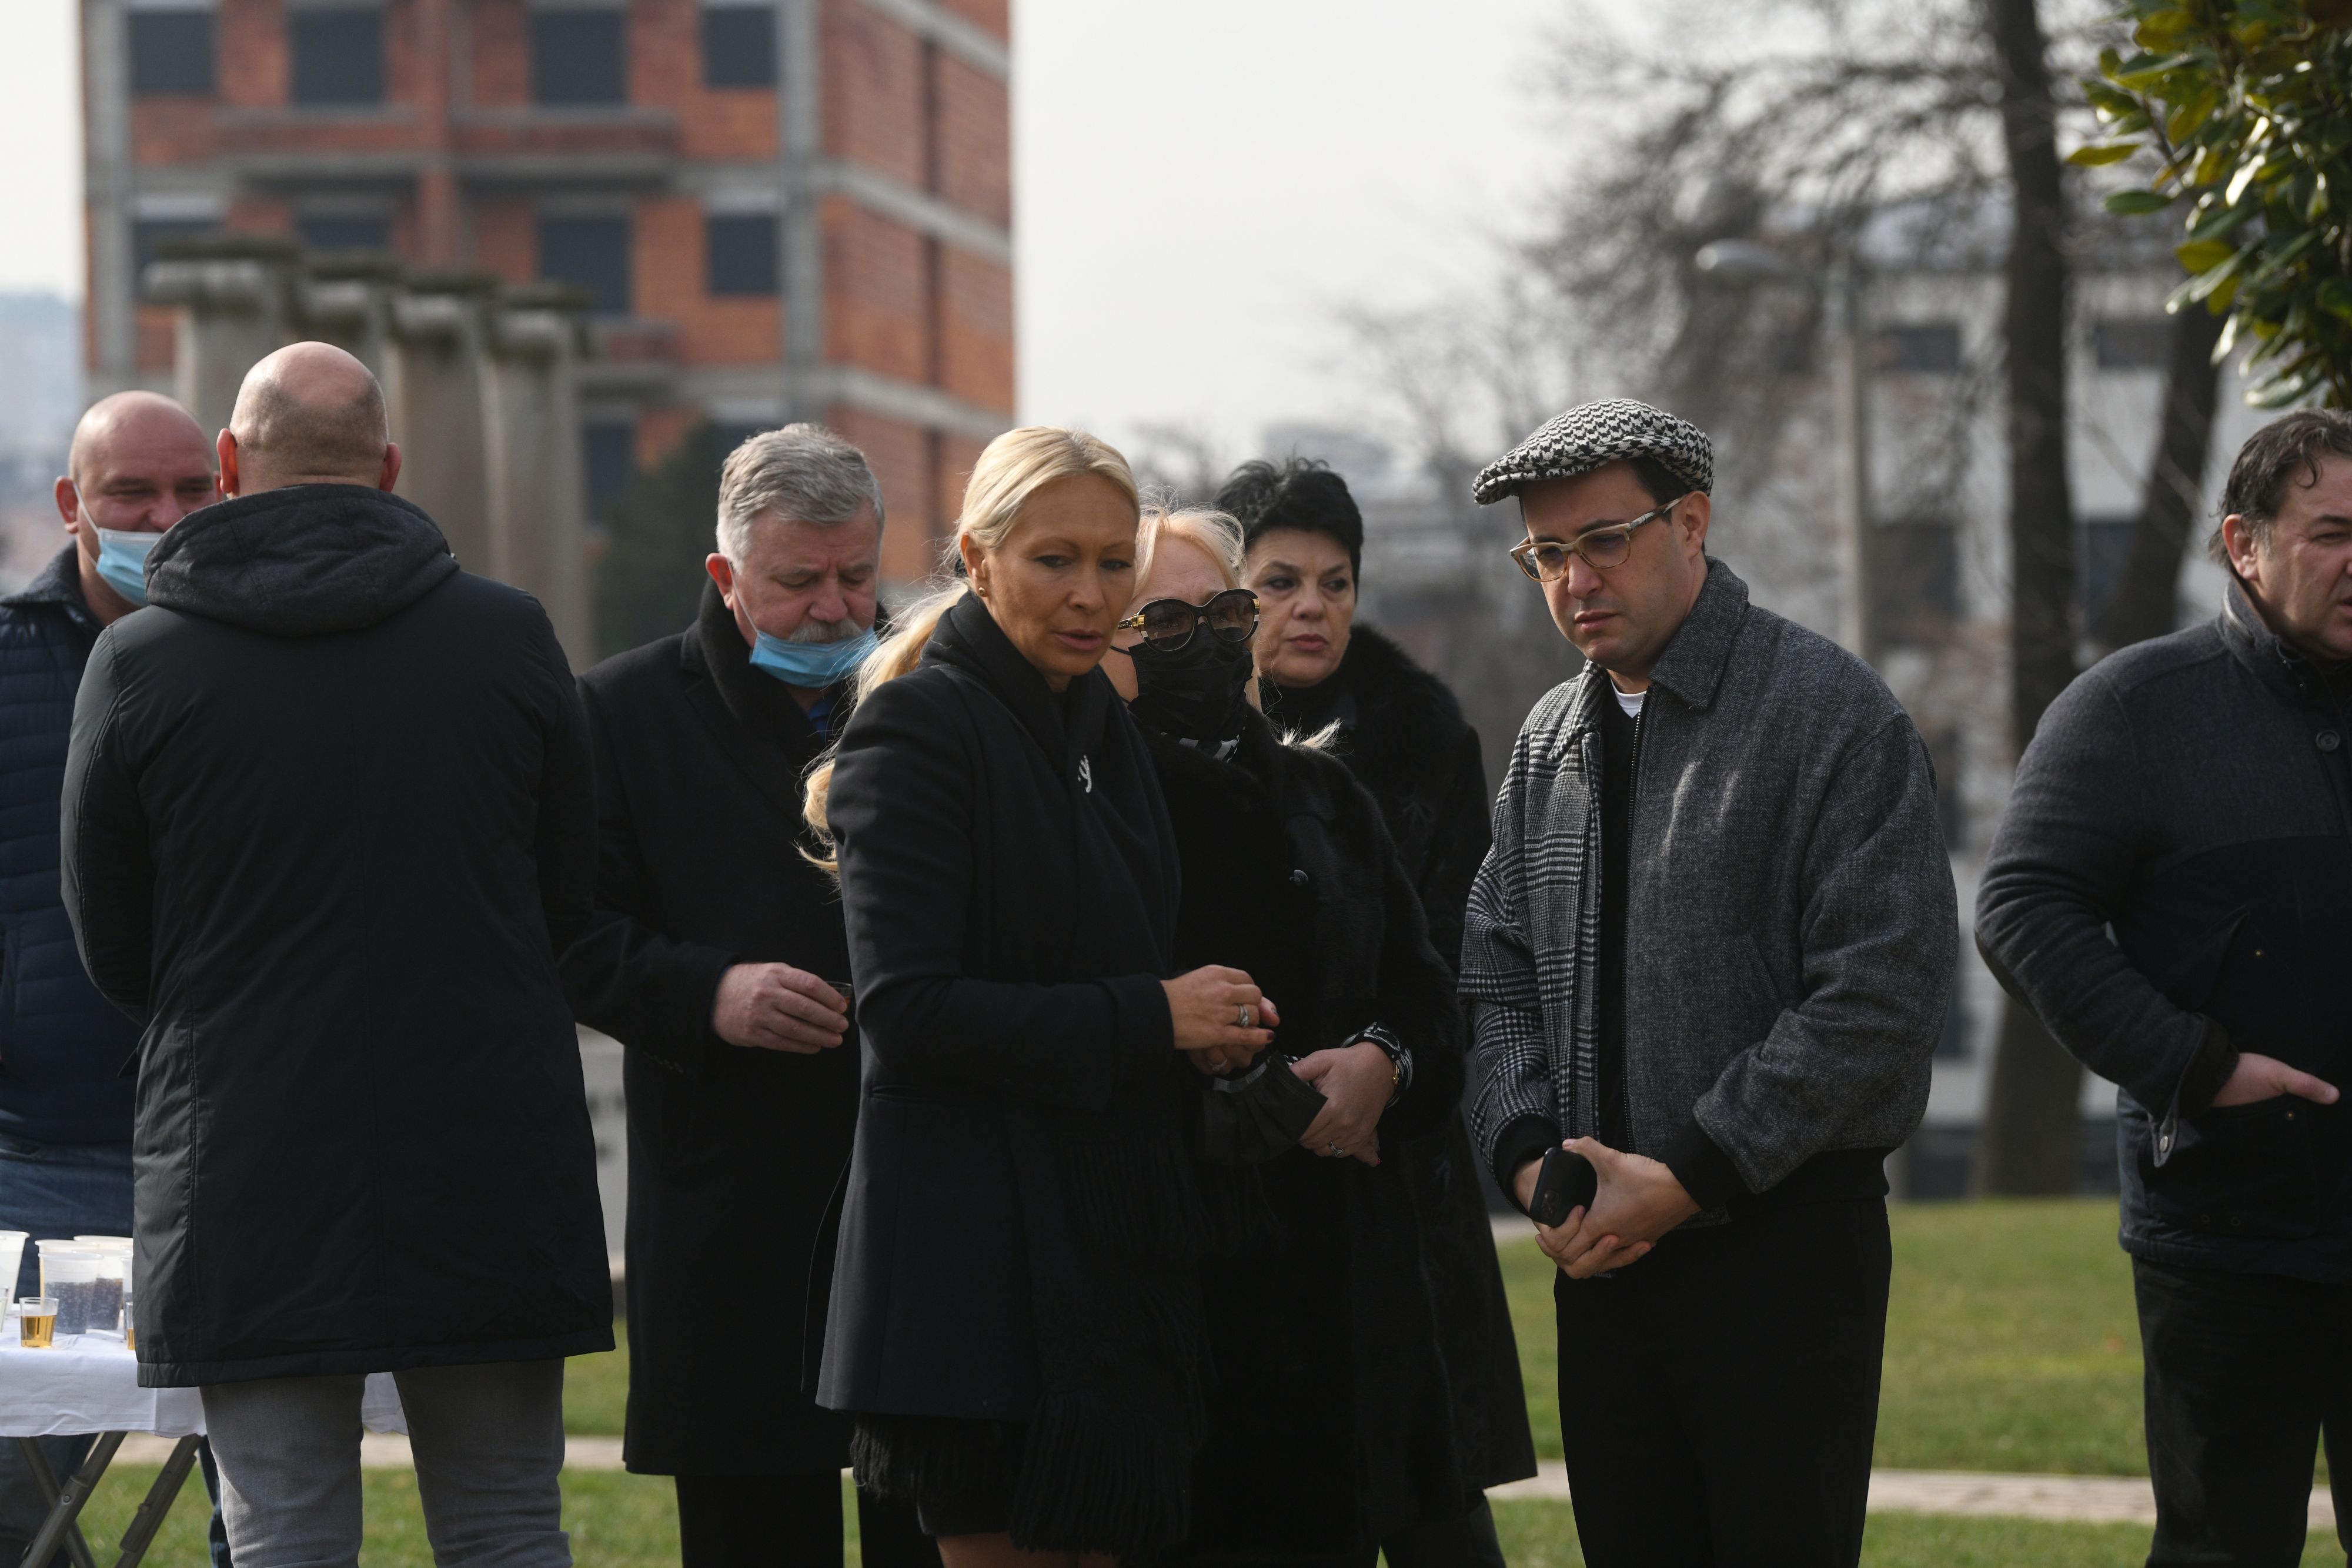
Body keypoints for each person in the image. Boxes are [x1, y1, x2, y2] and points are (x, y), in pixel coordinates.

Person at [62, 342, 611, 1568]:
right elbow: (565, 894)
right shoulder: (510, 637)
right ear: (392, 469)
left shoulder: (142, 662)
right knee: (508, 1522)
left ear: (226, 464)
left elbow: (112, 935)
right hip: (486, 1144)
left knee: (284, 1531)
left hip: (246, 1149)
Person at [1461, 398, 1955, 1566]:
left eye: (1602, 539)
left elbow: (1879, 994)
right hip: (1599, 1258)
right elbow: (1493, 968)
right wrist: (1532, 1158)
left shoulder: (1827, 710)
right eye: (1544, 553)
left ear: (1691, 522)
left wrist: (1688, 1171)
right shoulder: (1546, 740)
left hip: (1780, 1250)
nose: (1572, 577)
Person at [804, 427, 1278, 1567]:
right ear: (976, 556)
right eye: (1053, 559)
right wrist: (1150, 1017)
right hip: (972, 1273)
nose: (1090, 593)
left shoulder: (1094, 725)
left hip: (1098, 1251)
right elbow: (906, 1015)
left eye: (1114, 563)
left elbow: (1104, 959)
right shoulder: (918, 728)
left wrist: (1197, 1032)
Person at [1976, 410, 2352, 1567]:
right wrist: (2191, 1064)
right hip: (2225, 1234)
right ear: (2242, 546)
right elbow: (2020, 907)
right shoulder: (2132, 708)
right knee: (2222, 1546)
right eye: (2331, 533)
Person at [559, 424, 934, 1568]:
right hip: (729, 1193)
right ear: (724, 577)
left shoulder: (937, 692)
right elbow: (572, 933)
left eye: (857, 574)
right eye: (797, 581)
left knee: (929, 1520)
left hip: (916, 1186)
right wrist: (707, 990)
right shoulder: (619, 715)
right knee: (750, 1527)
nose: (835, 608)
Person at [1100, 502, 1475, 1566]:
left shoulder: (1326, 792)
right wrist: (1250, 1100)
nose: (1207, 642)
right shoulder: (1090, 811)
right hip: (1183, 1308)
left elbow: (1430, 998)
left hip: (1355, 1305)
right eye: (1162, 621)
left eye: (1223, 611)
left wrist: (1384, 1067)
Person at [1220, 459, 1534, 1560]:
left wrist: (1385, 1064)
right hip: (1238, 1177)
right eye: (1280, 582)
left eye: (1338, 583)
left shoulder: (1420, 733)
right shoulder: (1172, 735)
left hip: (1401, 1174)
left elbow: (1460, 954)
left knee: (1438, 1507)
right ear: (1228, 590)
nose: (1313, 607)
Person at [0, 392, 226, 1568]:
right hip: (62, 1168)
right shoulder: (8, 664)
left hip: (242, 1160)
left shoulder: (266, 663)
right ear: (70, 507)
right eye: (132, 495)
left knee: (265, 1484)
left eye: (193, 490)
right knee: (21, 1476)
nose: (166, 517)